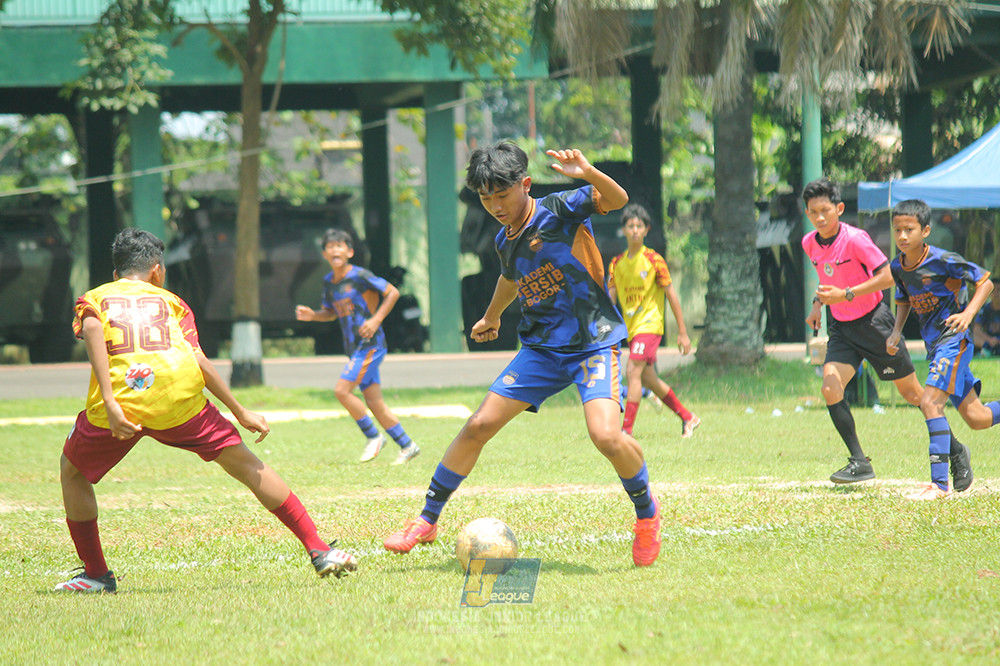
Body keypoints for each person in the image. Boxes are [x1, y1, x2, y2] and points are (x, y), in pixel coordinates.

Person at [382, 141, 663, 566]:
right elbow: (510, 279)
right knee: (478, 425)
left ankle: (646, 516)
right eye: (485, 197)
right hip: (541, 350)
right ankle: (427, 520)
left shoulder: (558, 207)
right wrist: (491, 316)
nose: (494, 204)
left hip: (592, 343)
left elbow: (619, 199)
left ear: (525, 184)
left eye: (501, 194)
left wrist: (587, 170)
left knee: (606, 436)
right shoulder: (504, 238)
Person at [56, 228, 356, 593]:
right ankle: (319, 549)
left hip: (122, 401)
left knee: (72, 472)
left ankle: (98, 575)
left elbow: (90, 330)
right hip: (178, 396)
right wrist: (240, 411)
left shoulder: (95, 298)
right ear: (157, 271)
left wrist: (109, 399)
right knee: (246, 464)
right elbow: (198, 359)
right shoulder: (173, 302)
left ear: (117, 274)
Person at [801, 177, 932, 485]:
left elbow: (889, 276)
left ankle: (954, 448)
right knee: (830, 388)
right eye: (812, 212)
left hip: (875, 324)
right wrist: (817, 305)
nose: (819, 217)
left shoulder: (856, 239)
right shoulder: (809, 242)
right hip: (841, 329)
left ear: (839, 208)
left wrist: (846, 294)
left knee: (913, 394)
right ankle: (859, 461)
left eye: (825, 210)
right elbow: (826, 279)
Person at [887, 199, 999, 500]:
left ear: (925, 230)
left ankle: (938, 485)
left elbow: (985, 281)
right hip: (934, 346)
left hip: (954, 341)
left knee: (930, 402)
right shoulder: (898, 266)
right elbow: (904, 298)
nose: (902, 236)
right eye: (897, 229)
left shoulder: (942, 260)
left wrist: (967, 315)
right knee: (978, 418)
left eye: (909, 229)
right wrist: (896, 331)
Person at [296, 229, 419, 464]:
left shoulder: (360, 275)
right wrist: (313, 315)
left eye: (340, 246)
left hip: (371, 345)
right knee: (374, 402)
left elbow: (392, 292)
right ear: (325, 254)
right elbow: (331, 314)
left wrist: (375, 320)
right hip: (354, 348)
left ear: (350, 252)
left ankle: (373, 437)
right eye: (330, 247)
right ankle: (407, 445)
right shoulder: (329, 283)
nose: (335, 250)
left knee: (342, 391)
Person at [607, 203, 699, 437]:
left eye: (639, 226)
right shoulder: (616, 264)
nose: (635, 230)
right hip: (632, 330)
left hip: (650, 326)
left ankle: (625, 431)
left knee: (632, 371)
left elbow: (671, 296)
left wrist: (682, 332)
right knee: (649, 380)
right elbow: (610, 300)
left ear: (646, 230)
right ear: (624, 230)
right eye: (630, 226)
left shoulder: (654, 260)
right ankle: (688, 417)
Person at [972, 279, 1000, 355]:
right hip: (988, 341)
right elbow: (976, 329)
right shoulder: (985, 309)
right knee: (970, 335)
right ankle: (988, 350)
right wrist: (989, 339)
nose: (996, 293)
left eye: (999, 290)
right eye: (993, 290)